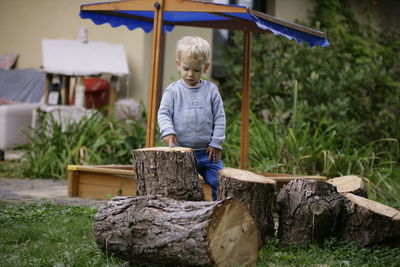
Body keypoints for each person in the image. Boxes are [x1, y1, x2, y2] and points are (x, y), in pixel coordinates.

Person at [157, 36, 226, 201]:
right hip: (181, 152)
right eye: (186, 68)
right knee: (183, 187)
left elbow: (219, 117)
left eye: (196, 70)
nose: (190, 74)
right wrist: (167, 131)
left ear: (206, 67)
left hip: (208, 152)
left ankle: (220, 209)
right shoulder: (173, 91)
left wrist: (216, 142)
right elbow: (164, 113)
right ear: (178, 64)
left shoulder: (211, 91)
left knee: (218, 181)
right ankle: (187, 214)